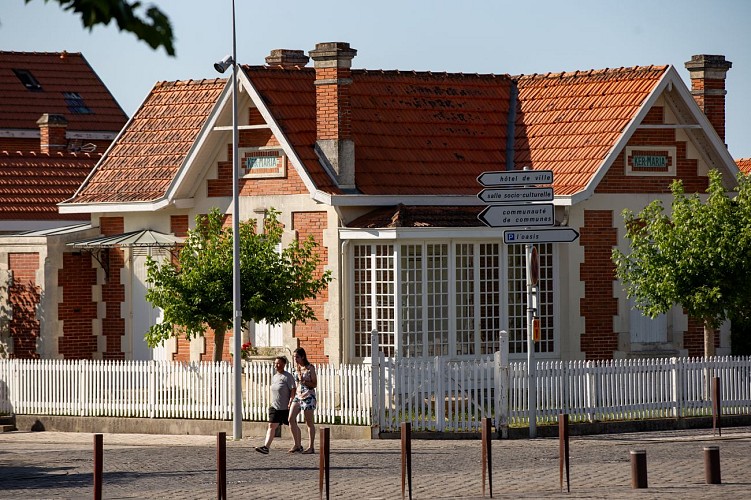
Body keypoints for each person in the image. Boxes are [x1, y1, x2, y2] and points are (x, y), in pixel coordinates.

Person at [254, 356, 295, 455]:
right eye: (275, 363)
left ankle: (297, 445)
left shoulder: (287, 377)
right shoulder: (274, 377)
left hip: (286, 407)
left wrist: (291, 401)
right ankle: (266, 447)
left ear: (284, 364)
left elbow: (293, 390)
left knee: (292, 425)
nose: (276, 365)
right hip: (275, 406)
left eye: (278, 363)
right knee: (271, 425)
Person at [288, 347, 317, 454]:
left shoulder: (310, 368)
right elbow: (295, 384)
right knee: (291, 418)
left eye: (297, 357)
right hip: (298, 396)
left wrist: (304, 381)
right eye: (294, 357)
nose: (296, 359)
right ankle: (297, 444)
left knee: (309, 422)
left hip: (308, 396)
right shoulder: (296, 369)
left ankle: (311, 446)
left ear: (303, 357)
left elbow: (314, 384)